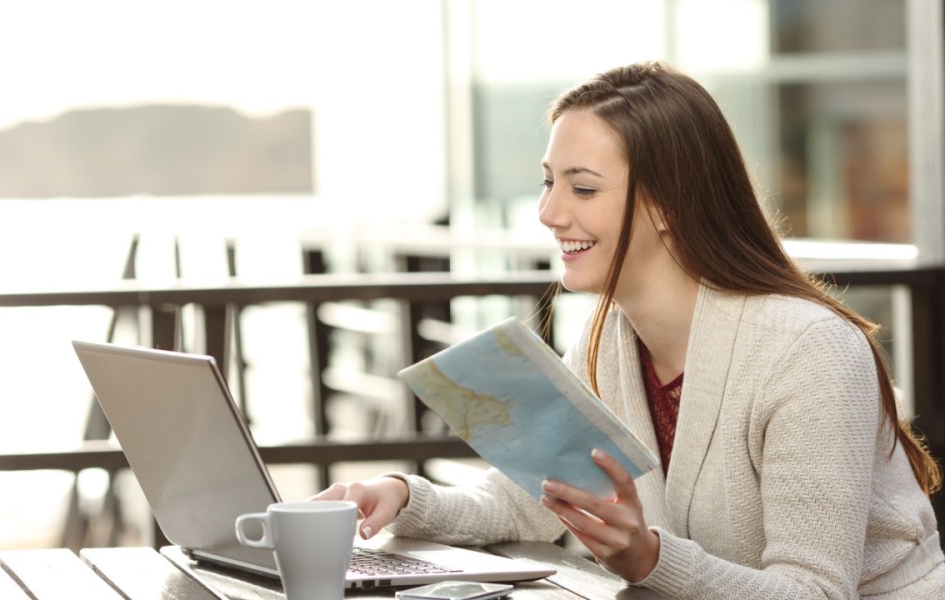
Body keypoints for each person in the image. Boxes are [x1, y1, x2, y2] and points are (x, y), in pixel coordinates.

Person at [313, 61, 945, 598]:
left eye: (583, 188)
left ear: (666, 202)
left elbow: (813, 591)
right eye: (549, 182)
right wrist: (399, 493)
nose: (548, 212)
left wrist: (650, 560)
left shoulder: (807, 351)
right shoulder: (602, 342)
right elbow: (528, 502)